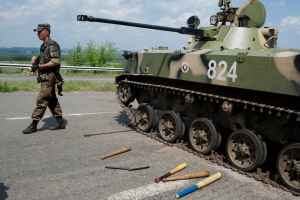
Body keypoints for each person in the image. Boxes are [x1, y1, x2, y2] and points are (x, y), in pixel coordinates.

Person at [22, 24, 66, 134]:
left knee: (41, 100)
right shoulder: (44, 46)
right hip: (45, 77)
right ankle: (60, 121)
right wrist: (36, 60)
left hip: (50, 77)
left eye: (39, 32)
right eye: (37, 32)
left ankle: (34, 124)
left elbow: (56, 61)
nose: (38, 34)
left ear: (46, 32)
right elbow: (45, 59)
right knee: (51, 100)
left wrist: (41, 66)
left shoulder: (52, 44)